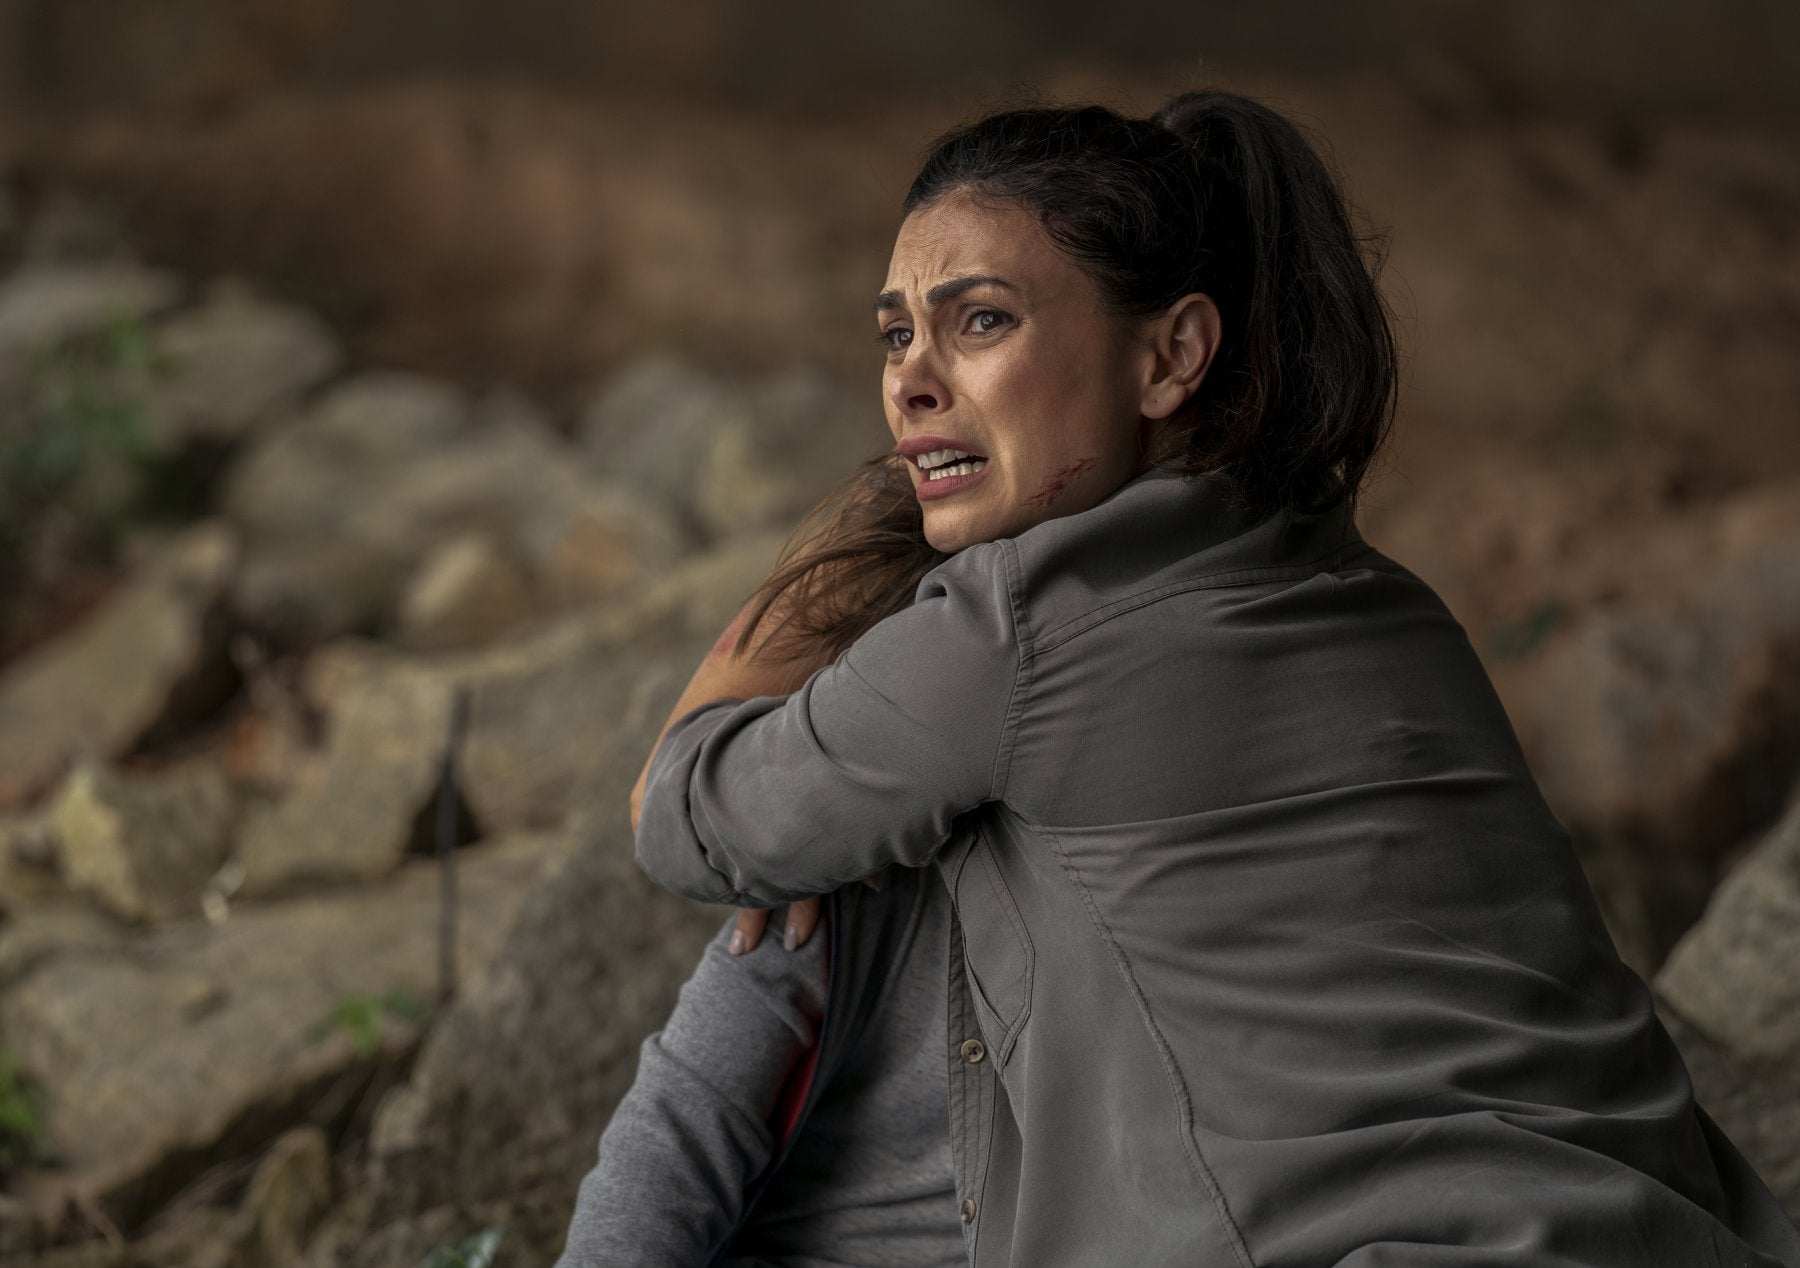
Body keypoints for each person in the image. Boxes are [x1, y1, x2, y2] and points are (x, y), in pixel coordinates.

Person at [631, 90, 1800, 1265]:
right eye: (896, 337)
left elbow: (680, 812)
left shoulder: (1019, 625)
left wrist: (871, 513)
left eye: (980, 320)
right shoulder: (1390, 602)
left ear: (1173, 354)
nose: (911, 383)